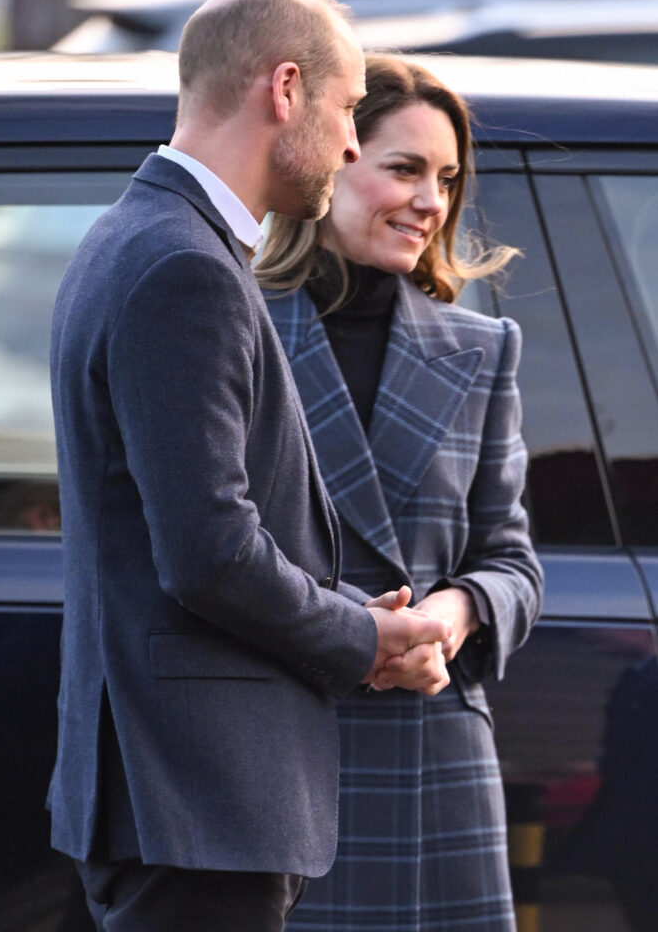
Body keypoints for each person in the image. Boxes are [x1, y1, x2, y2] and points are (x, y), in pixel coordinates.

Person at [48, 0, 455, 932]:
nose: (350, 144)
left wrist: (350, 615)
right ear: (285, 89)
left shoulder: (143, 236)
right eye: (346, 108)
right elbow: (210, 551)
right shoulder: (182, 264)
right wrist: (361, 639)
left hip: (184, 795)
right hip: (193, 796)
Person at [258, 52, 544, 932]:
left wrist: (451, 618)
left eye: (446, 179)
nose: (432, 202)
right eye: (405, 169)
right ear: (331, 158)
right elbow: (208, 549)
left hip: (432, 760)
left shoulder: (481, 347)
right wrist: (363, 634)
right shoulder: (234, 325)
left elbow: (511, 563)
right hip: (277, 754)